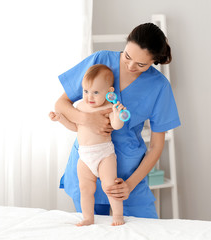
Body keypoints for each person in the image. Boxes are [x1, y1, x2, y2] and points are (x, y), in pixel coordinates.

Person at [55, 22, 181, 219]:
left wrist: (129, 185)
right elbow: (61, 104)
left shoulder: (159, 86)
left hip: (129, 173)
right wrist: (88, 119)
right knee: (93, 230)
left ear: (154, 61)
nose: (131, 66)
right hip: (88, 164)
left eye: (141, 65)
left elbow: (157, 146)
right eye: (127, 57)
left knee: (148, 230)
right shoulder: (100, 60)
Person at [49, 64, 126, 226]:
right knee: (85, 189)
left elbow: (117, 126)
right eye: (86, 91)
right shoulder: (80, 107)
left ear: (109, 92)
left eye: (96, 92)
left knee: (109, 186)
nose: (89, 97)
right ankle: (88, 218)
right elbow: (76, 128)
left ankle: (118, 216)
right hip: (84, 156)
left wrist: (118, 114)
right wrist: (61, 119)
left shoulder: (109, 108)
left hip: (104, 154)